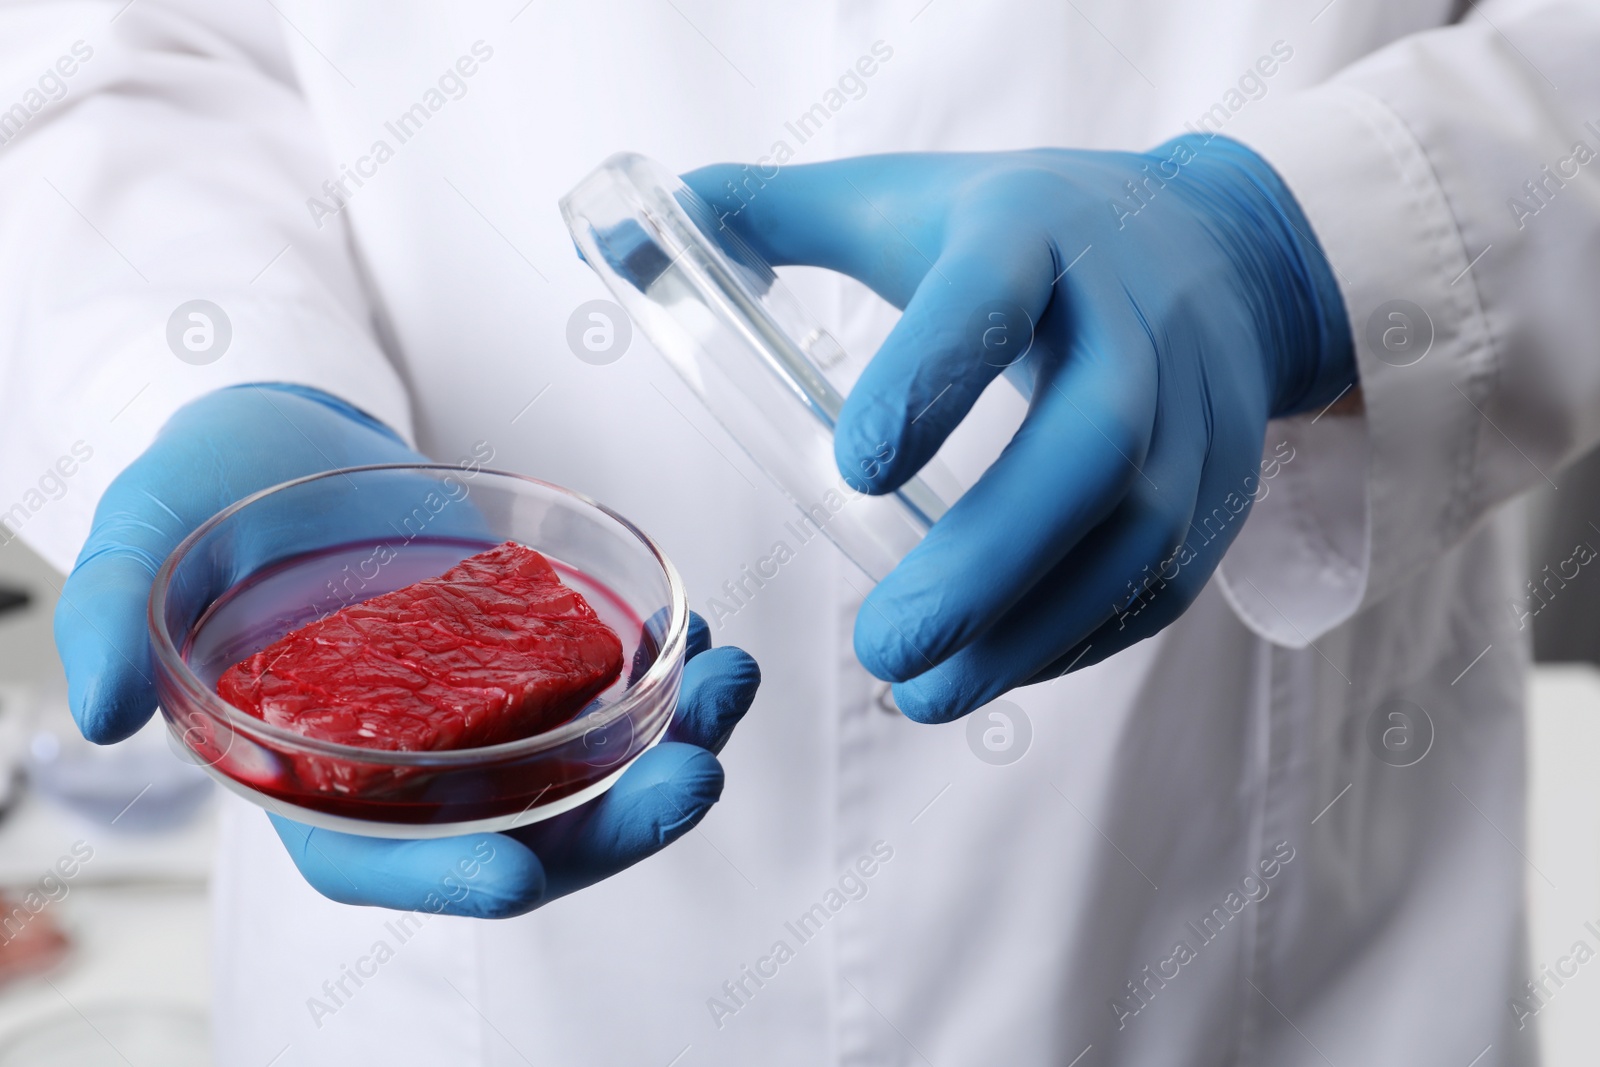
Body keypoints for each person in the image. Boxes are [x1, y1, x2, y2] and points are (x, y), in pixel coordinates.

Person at [2, 0, 1596, 1063]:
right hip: (466, 999)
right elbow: (94, 56)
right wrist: (190, 363)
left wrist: (1328, 240)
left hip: (1249, 924)